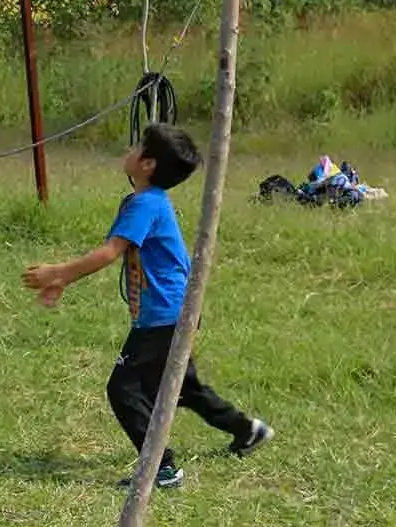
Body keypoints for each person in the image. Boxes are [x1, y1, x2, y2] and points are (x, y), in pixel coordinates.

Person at [21, 123, 273, 489]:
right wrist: (63, 280)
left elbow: (109, 253)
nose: (131, 147)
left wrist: (58, 273)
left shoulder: (145, 204)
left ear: (148, 164)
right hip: (176, 311)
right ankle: (248, 430)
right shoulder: (148, 202)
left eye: (139, 146)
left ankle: (162, 468)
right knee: (182, 388)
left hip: (163, 316)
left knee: (123, 389)